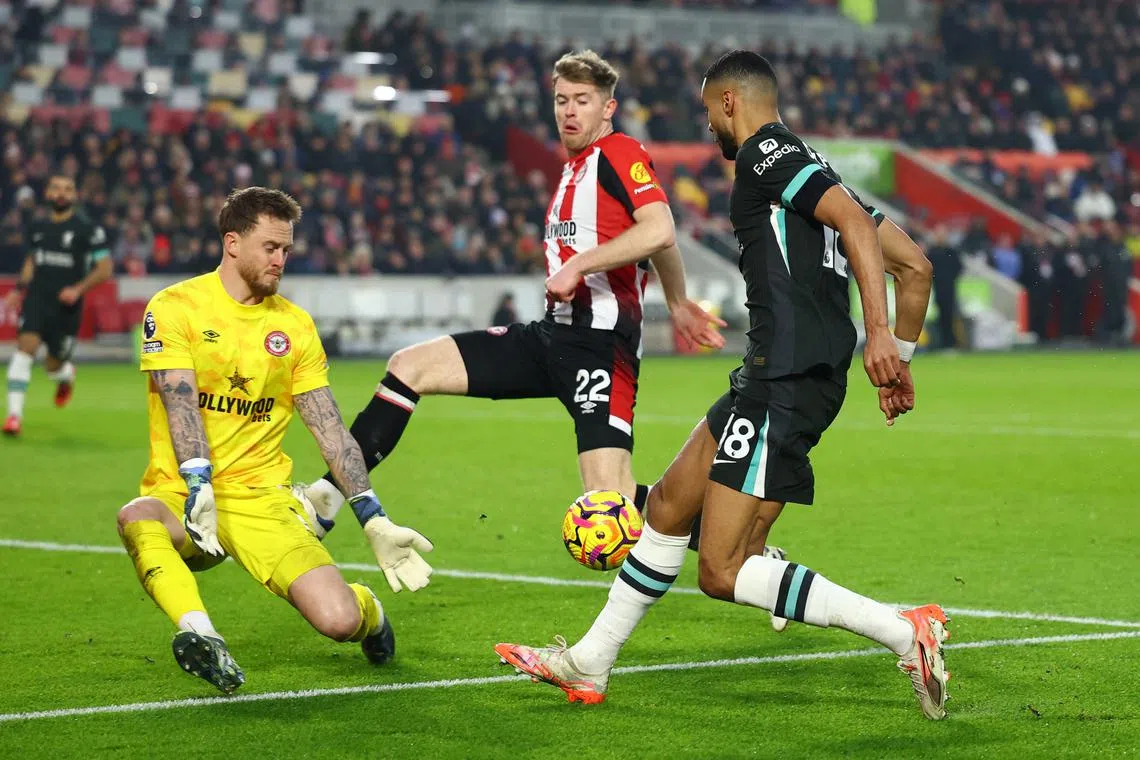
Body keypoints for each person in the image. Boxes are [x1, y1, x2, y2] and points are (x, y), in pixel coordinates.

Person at [494, 51, 949, 721]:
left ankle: (903, 629)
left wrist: (879, 338)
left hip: (787, 382)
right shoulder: (808, 164)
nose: (710, 125)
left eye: (710, 111)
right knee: (670, 507)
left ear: (730, 102)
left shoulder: (766, 155)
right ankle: (590, 662)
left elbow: (856, 229)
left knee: (723, 570)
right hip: (770, 377)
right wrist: (899, 359)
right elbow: (915, 266)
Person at [299, 51, 724, 536]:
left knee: (611, 506)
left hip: (599, 350)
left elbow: (661, 228)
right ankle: (326, 503)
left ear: (608, 108)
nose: (569, 110)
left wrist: (582, 268)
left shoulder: (619, 153)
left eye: (582, 101)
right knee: (408, 367)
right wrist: (676, 302)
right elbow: (652, 237)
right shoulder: (572, 169)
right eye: (561, 100)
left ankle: (734, 547)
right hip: (549, 339)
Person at [115, 187, 433, 694]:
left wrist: (373, 516)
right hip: (185, 493)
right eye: (270, 247)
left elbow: (330, 429)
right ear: (232, 242)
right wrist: (198, 483)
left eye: (287, 249)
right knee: (137, 516)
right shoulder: (175, 307)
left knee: (337, 621)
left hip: (261, 500)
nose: (281, 259)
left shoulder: (293, 326)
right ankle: (203, 637)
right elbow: (180, 404)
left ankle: (368, 612)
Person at [4, 175, 112, 436]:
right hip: (38, 299)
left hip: (66, 309)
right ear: (48, 193)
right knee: (25, 348)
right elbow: (32, 260)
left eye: (67, 189)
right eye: (56, 188)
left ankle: (66, 375)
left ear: (74, 195)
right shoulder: (37, 226)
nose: (61, 193)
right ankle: (14, 417)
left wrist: (77, 289)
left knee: (53, 367)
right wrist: (20, 289)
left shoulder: (88, 230)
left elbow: (105, 269)